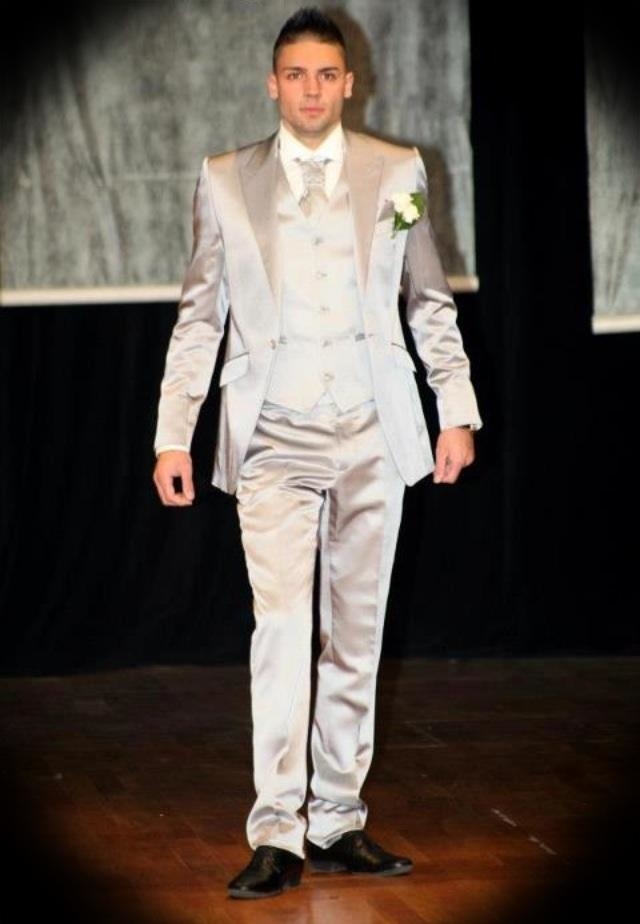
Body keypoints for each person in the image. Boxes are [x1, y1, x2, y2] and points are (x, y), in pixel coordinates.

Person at [152, 6, 482, 900]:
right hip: (273, 433)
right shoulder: (226, 178)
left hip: (372, 427)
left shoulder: (397, 170)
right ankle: (276, 830)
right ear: (272, 84)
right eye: (295, 74)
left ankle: (336, 819)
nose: (311, 90)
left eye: (326, 75)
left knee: (357, 632)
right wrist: (173, 432)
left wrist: (455, 409)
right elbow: (199, 315)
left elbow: (428, 301)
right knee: (283, 628)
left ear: (349, 83)